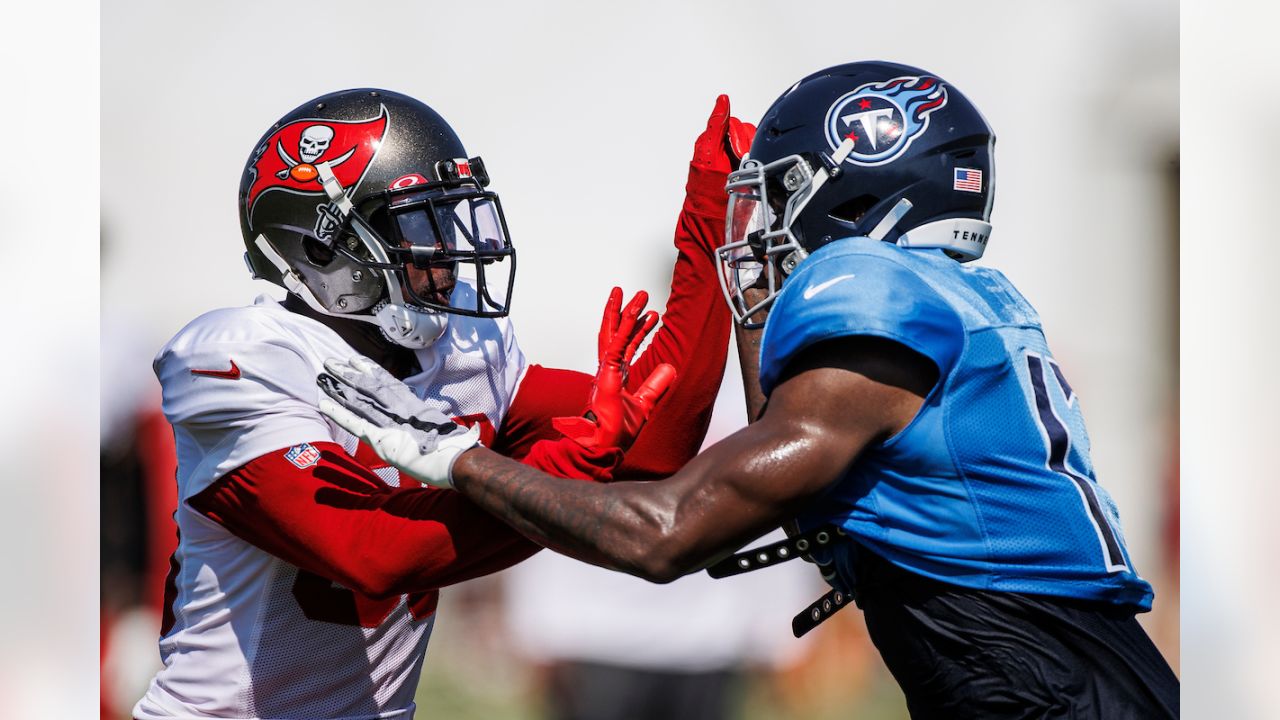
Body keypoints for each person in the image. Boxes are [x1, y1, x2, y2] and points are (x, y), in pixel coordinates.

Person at [321, 63, 1180, 718]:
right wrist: (730, 293)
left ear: (854, 190)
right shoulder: (956, 302)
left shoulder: (876, 294)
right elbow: (783, 444)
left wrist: (457, 462)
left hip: (1048, 687)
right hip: (1063, 675)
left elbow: (663, 534)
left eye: (775, 198)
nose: (758, 228)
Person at [133, 87, 750, 719]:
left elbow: (653, 444)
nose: (448, 250)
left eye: (447, 217)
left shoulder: (461, 349)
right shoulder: (237, 359)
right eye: (414, 224)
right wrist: (562, 476)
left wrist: (712, 216)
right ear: (320, 248)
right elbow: (371, 551)